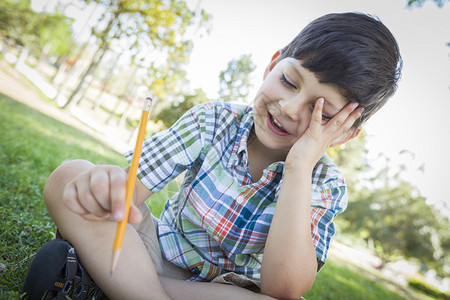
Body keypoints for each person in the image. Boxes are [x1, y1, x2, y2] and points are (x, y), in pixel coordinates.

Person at [22, 12, 402, 300]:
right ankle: (128, 287)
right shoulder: (212, 120)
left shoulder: (326, 184)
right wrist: (107, 191)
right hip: (152, 252)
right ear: (272, 64)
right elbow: (128, 197)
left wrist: (300, 167)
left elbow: (283, 285)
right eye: (288, 81)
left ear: (346, 132)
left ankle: (101, 282)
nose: (288, 107)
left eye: (321, 113)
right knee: (70, 173)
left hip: (220, 291)